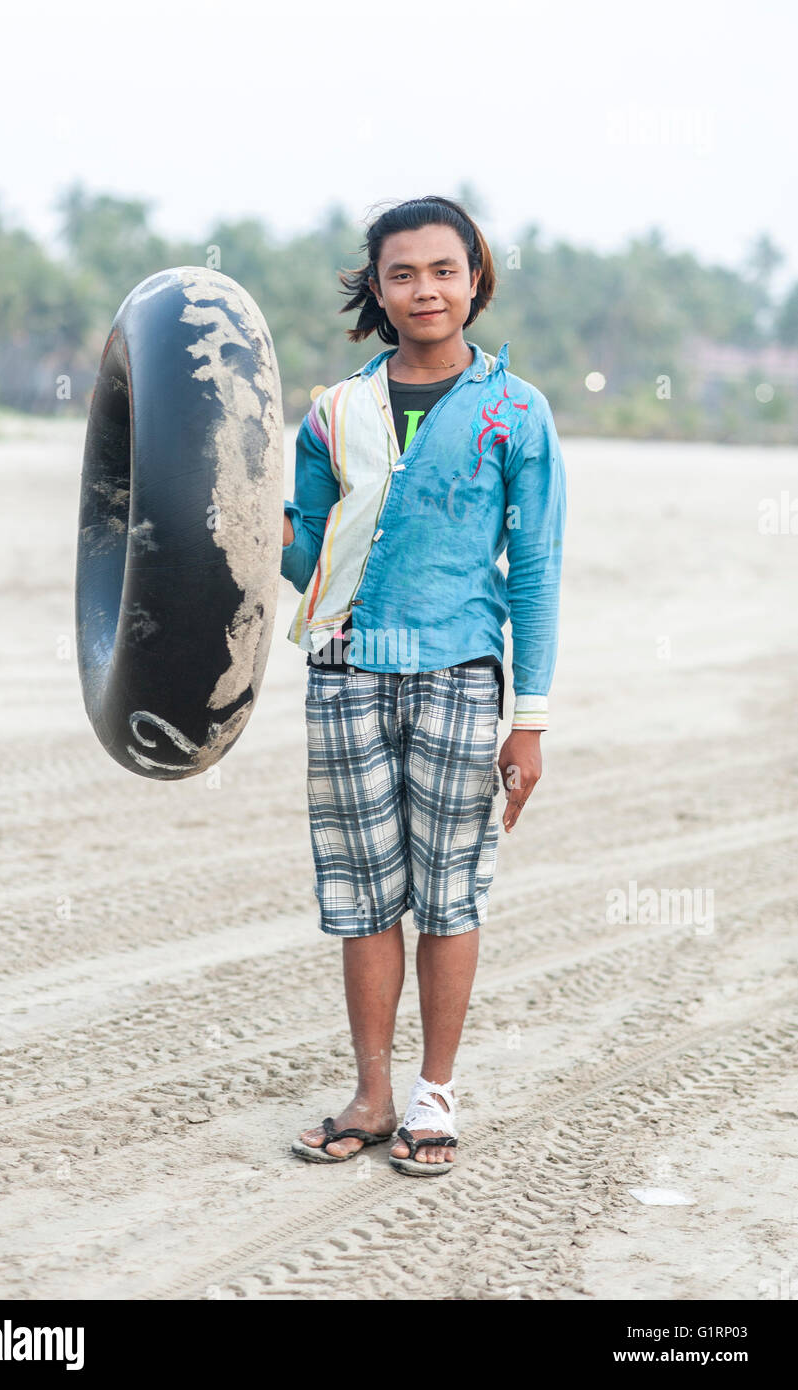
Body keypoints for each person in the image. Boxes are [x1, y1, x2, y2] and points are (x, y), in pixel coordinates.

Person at [280, 195, 566, 1176]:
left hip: (455, 672)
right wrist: (216, 520)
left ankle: (433, 1093)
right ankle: (371, 1091)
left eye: (442, 270)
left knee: (448, 893)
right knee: (362, 895)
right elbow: (307, 553)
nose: (423, 289)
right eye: (400, 273)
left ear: (475, 278)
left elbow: (533, 569)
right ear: (377, 287)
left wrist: (527, 722)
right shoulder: (332, 413)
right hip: (342, 668)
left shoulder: (512, 412)